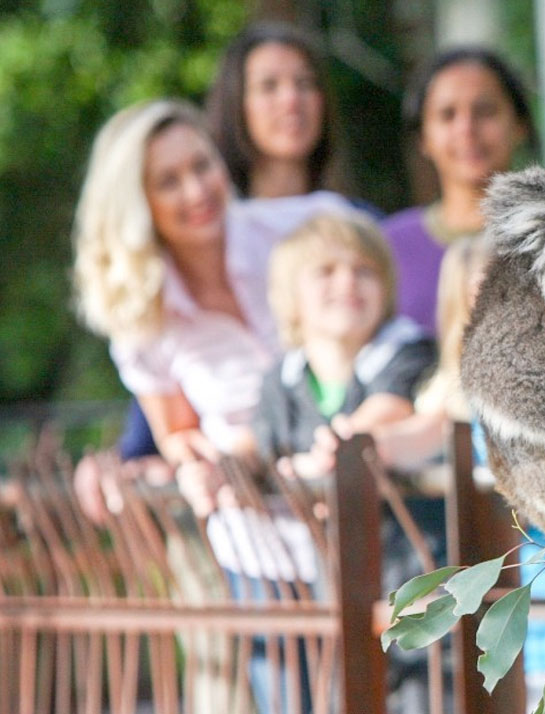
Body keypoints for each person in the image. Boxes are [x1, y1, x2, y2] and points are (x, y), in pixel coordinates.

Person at [71, 98, 353, 712]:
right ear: (135, 205)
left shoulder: (305, 228)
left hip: (368, 527)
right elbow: (179, 437)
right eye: (168, 181)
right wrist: (180, 459)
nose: (196, 188)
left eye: (202, 165)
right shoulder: (140, 314)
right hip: (259, 553)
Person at [254, 212, 435, 476]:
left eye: (364, 271)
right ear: (288, 295)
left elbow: (388, 409)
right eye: (325, 271)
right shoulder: (281, 377)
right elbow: (260, 444)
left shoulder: (409, 351)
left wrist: (323, 461)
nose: (348, 282)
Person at [381, 47, 536, 335]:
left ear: (519, 125)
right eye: (447, 114)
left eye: (485, 111)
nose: (466, 128)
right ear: (423, 137)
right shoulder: (388, 247)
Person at [206, 21, 343, 199]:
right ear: (234, 102)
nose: (291, 99)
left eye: (304, 82)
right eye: (268, 86)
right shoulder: (219, 224)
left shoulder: (356, 220)